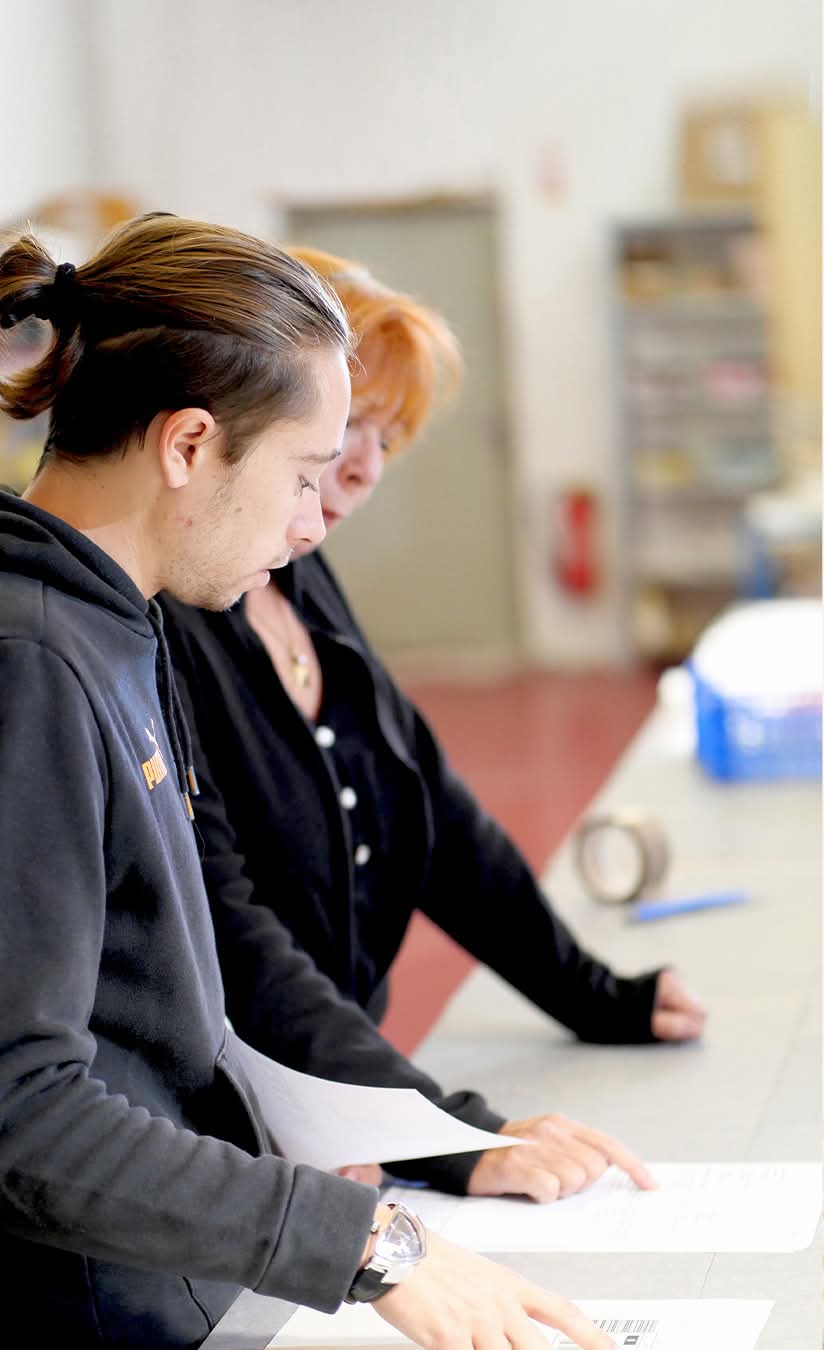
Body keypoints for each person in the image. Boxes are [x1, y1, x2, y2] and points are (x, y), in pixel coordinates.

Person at [0, 215, 618, 1350]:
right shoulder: (15, 660)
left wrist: (356, 1145)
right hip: (71, 1319)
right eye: (302, 474)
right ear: (189, 445)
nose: (309, 524)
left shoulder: (104, 621)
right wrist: (362, 1242)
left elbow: (157, 990)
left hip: (156, 1275)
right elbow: (16, 1112)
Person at [159, 245, 707, 1199]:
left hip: (339, 1096)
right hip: (244, 1127)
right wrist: (442, 1132)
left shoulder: (297, 577)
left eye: (387, 439)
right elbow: (225, 930)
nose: (363, 469)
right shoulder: (173, 618)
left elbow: (433, 815)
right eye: (345, 431)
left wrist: (593, 995)